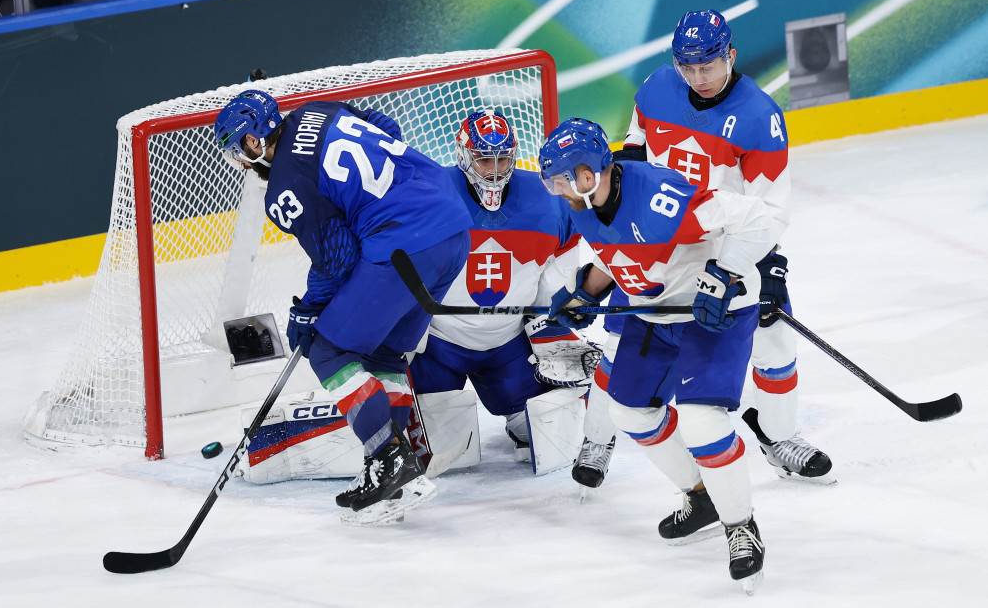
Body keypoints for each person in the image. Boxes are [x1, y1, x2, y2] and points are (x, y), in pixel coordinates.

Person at [573, 9, 834, 492]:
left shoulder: (759, 116)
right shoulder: (655, 88)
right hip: (654, 242)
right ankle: (596, 438)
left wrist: (764, 267)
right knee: (620, 343)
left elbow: (768, 207)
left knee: (775, 341)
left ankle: (778, 437)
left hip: (725, 240)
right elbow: (631, 153)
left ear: (730, 56)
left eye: (709, 66)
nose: (699, 78)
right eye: (688, 68)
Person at [213, 90, 472, 525]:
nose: (239, 160)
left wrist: (307, 311)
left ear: (256, 141)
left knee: (329, 350)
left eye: (239, 148)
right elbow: (387, 127)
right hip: (452, 229)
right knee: (384, 353)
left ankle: (388, 457)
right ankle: (396, 469)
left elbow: (338, 257)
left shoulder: (284, 187)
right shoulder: (321, 110)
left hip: (403, 245)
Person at [539, 117, 771, 592]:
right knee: (631, 412)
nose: (556, 190)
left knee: (702, 420)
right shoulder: (585, 203)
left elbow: (759, 219)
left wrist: (725, 274)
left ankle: (741, 525)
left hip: (713, 313)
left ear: (588, 174)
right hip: (656, 313)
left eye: (561, 179)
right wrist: (587, 291)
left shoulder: (662, 197)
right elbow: (614, 250)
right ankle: (701, 497)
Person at [409, 109, 598, 464]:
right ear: (464, 155)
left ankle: (517, 409)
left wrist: (551, 324)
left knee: (554, 437)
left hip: (507, 343)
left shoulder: (549, 197)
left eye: (503, 158)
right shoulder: (426, 193)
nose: (495, 170)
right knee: (436, 453)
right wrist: (401, 330)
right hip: (436, 343)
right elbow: (394, 263)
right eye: (484, 159)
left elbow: (562, 264)